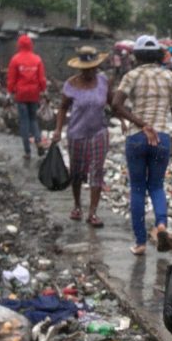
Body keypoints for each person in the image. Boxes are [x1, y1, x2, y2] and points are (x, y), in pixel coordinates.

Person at [111, 34, 172, 256]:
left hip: (137, 138)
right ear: (158, 54)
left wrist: (141, 123)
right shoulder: (169, 77)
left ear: (136, 55)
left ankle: (140, 243)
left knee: (137, 188)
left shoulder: (131, 76)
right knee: (156, 186)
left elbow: (116, 105)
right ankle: (162, 225)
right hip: (162, 139)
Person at [54, 46, 113, 228]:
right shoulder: (71, 85)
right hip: (76, 133)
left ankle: (93, 212)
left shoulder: (103, 82)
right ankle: (77, 205)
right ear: (80, 68)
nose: (90, 72)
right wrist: (58, 129)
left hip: (99, 132)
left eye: (93, 68)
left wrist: (123, 120)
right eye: (86, 69)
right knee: (77, 172)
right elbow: (63, 107)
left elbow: (112, 103)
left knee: (97, 171)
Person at [7, 35, 47, 160]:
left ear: (19, 45)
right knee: (33, 119)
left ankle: (27, 152)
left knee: (24, 121)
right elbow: (42, 79)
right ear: (31, 45)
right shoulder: (37, 59)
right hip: (34, 94)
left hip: (21, 94)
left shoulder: (15, 60)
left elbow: (11, 79)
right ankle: (38, 141)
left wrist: (9, 92)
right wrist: (43, 90)